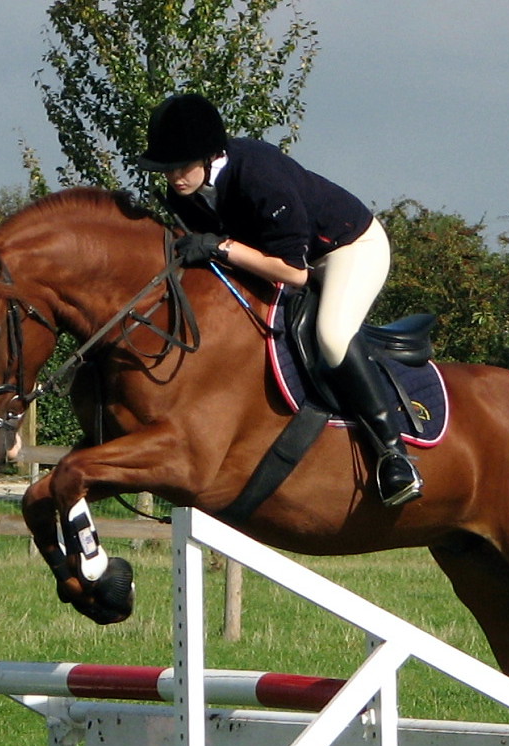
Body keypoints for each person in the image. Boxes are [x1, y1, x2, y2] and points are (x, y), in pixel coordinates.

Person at [137, 93, 423, 507]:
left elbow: (294, 272)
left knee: (332, 334)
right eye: (166, 169)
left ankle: (394, 455)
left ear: (208, 155)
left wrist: (220, 248)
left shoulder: (259, 174)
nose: (174, 178)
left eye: (181, 166)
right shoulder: (187, 189)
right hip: (283, 256)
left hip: (346, 249)